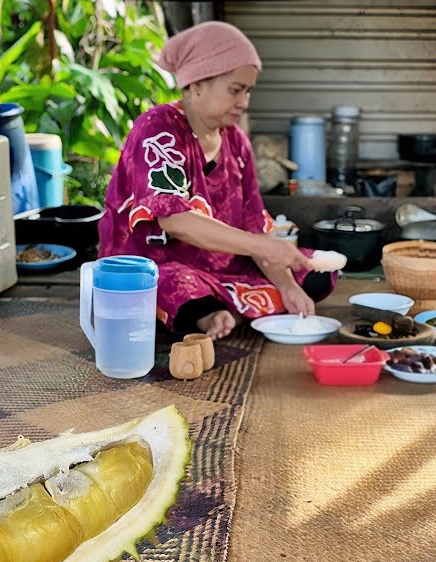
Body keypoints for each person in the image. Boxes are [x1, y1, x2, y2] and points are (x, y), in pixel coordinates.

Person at [98, 21, 336, 339]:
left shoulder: (237, 142)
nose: (245, 102)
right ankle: (210, 312)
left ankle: (217, 312)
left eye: (248, 90)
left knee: (317, 272)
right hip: (157, 262)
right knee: (166, 285)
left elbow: (254, 225)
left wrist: (288, 286)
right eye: (235, 90)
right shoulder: (157, 129)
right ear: (197, 84)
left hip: (223, 266)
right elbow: (176, 221)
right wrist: (265, 246)